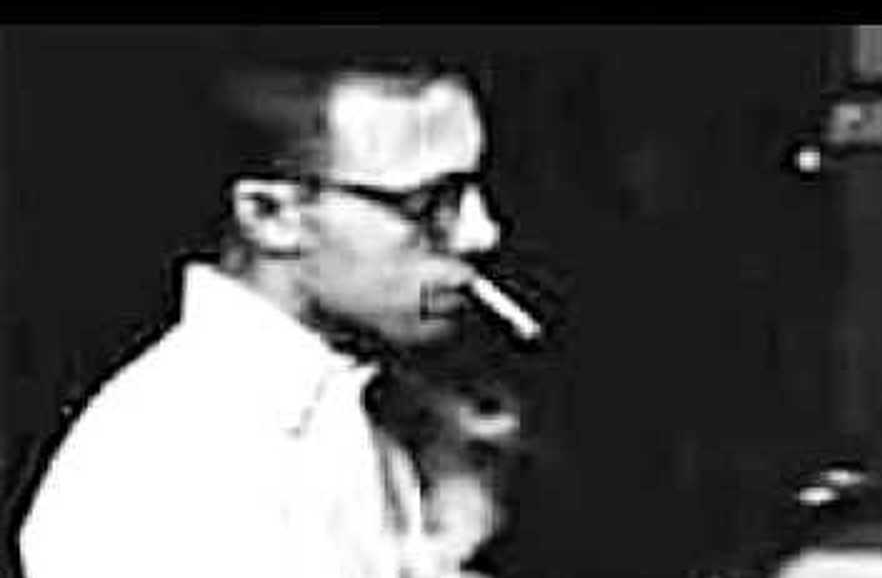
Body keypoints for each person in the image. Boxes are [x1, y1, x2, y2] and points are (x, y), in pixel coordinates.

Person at [18, 56, 518, 578]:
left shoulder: (367, 408)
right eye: (429, 203)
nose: (481, 232)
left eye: (474, 190)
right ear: (269, 216)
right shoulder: (168, 466)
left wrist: (444, 549)